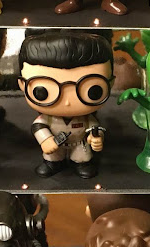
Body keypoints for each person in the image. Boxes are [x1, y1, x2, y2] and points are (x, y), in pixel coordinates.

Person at [18, 32, 113, 178]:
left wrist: (96, 137)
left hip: (79, 144)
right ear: (22, 85)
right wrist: (45, 140)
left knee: (82, 156)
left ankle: (81, 164)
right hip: (55, 145)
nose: (67, 102)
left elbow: (94, 128)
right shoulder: (47, 119)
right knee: (53, 156)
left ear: (110, 84)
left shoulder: (86, 118)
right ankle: (53, 164)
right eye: (42, 91)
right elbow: (38, 126)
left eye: (93, 91)